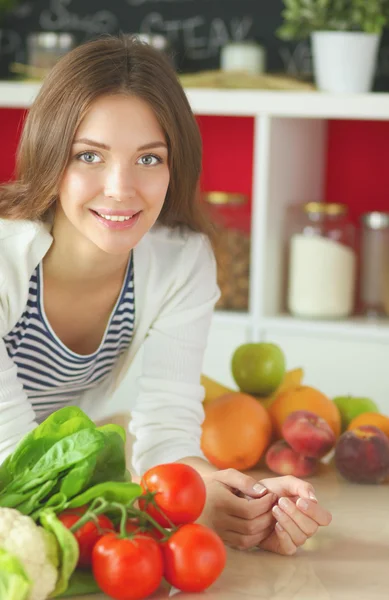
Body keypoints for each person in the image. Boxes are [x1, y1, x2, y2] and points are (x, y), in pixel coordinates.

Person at [0, 35, 331, 555]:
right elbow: (13, 454)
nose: (120, 188)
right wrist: (171, 509)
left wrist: (233, 496)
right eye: (89, 155)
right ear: (51, 156)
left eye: (148, 160)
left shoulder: (180, 262)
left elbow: (167, 435)